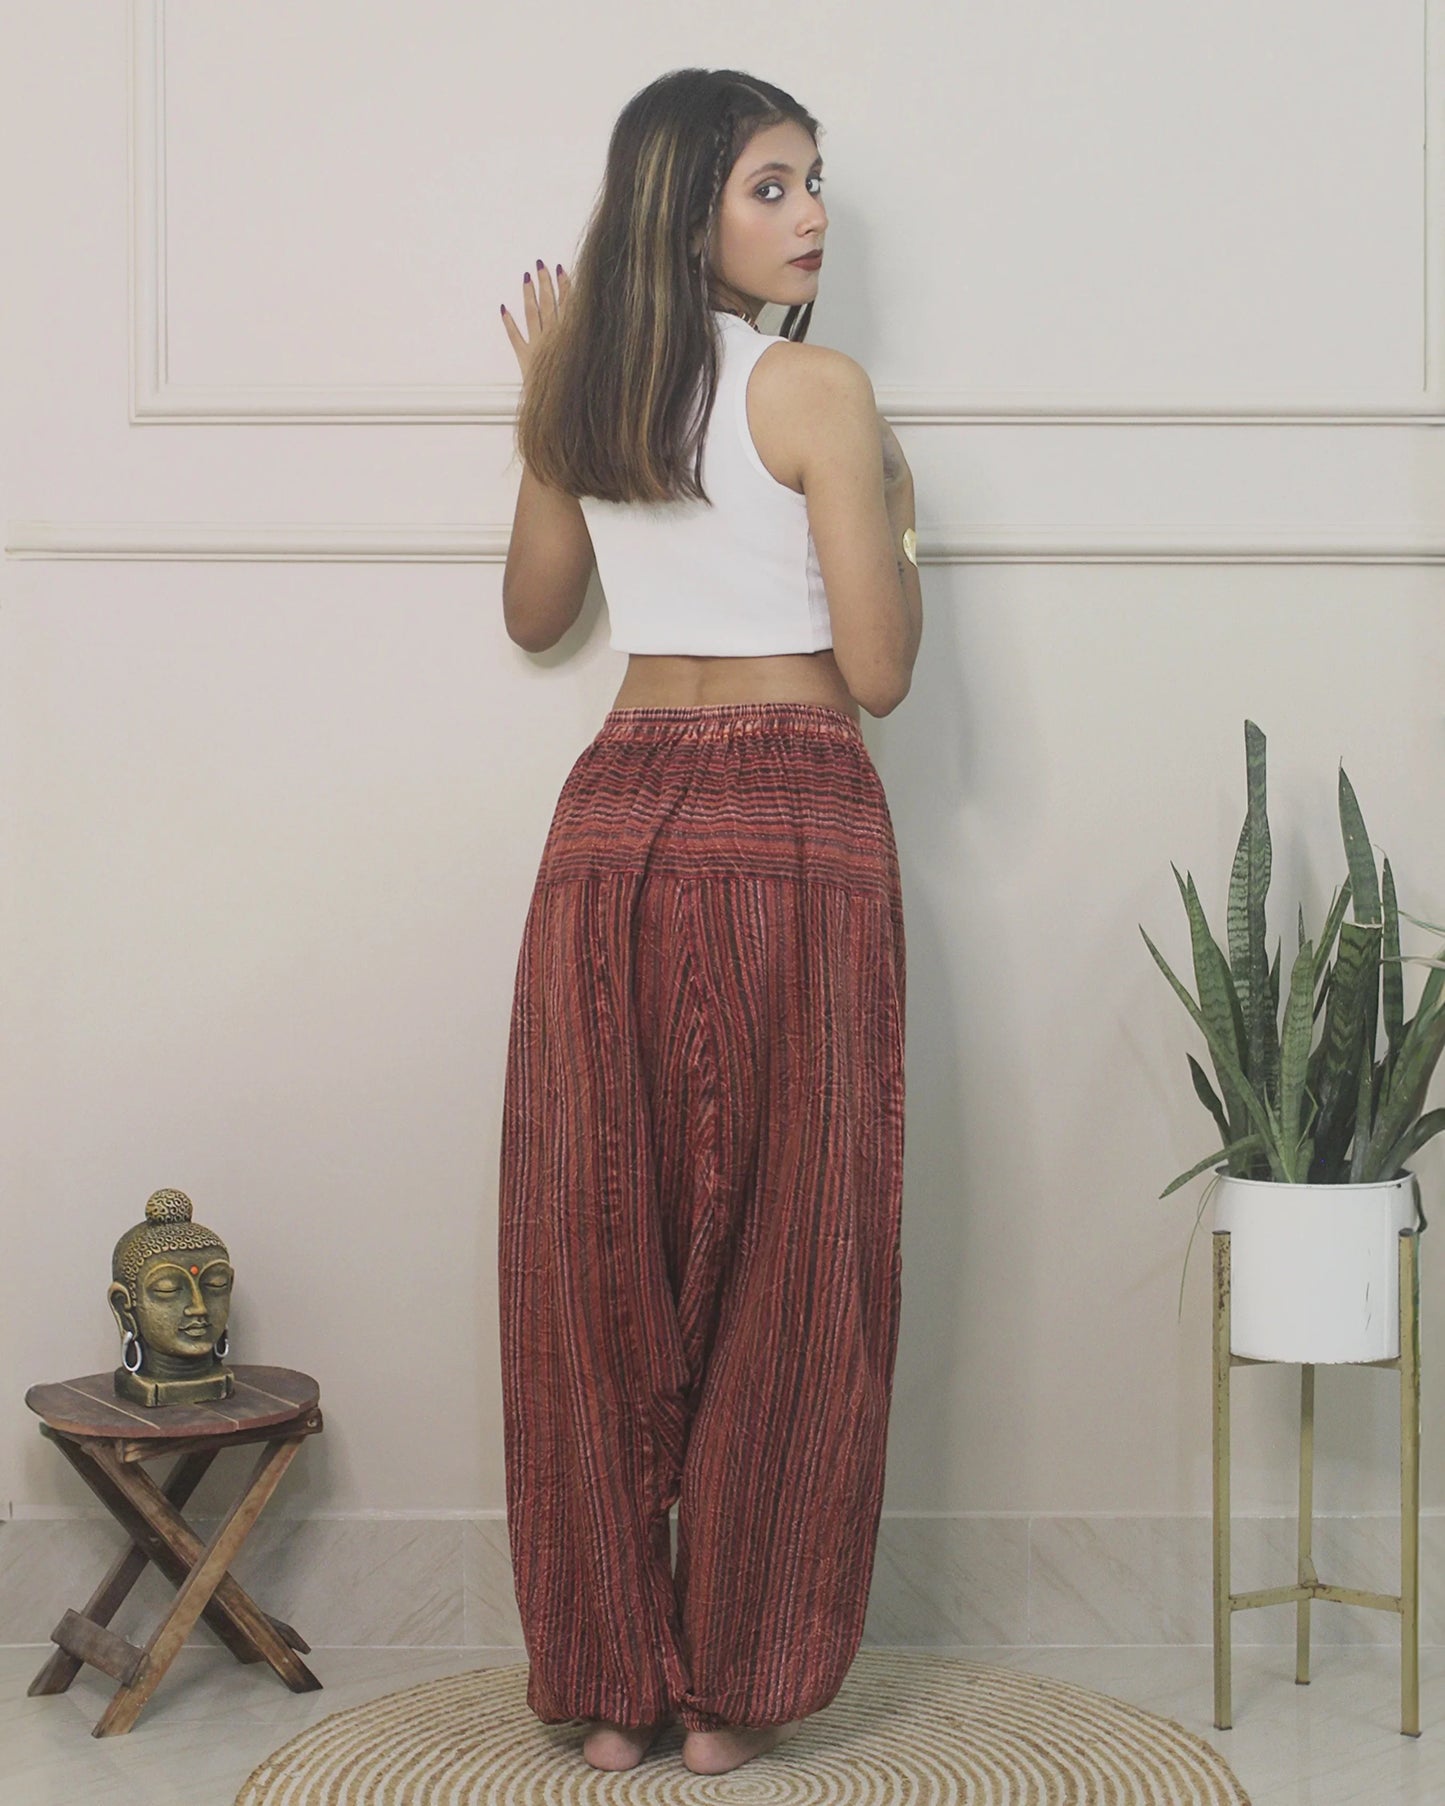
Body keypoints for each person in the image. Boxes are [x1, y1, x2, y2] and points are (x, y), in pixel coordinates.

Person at [496, 67, 921, 1779]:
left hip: (611, 820)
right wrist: (891, 501)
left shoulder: (578, 396)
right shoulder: (818, 389)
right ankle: (733, 1688)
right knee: (793, 1250)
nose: (811, 212)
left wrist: (543, 401)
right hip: (793, 818)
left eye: (813, 181)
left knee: (592, 1249)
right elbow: (878, 674)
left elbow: (538, 620)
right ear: (691, 214)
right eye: (770, 184)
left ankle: (607, 1681)